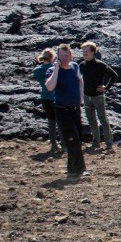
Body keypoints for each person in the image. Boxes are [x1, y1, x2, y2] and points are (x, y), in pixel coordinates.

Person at [44, 44, 87, 177]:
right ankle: (80, 169)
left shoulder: (75, 66)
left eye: (66, 55)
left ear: (71, 55)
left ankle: (71, 168)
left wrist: (81, 99)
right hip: (62, 109)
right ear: (57, 56)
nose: (64, 58)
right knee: (72, 139)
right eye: (61, 55)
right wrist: (56, 68)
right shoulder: (51, 70)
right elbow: (50, 87)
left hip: (75, 109)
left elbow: (80, 81)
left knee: (77, 139)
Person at [79, 41, 119, 150]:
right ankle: (96, 142)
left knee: (103, 120)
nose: (84, 53)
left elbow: (114, 76)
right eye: (83, 51)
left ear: (92, 52)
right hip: (87, 97)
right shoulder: (82, 65)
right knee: (91, 121)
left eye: (86, 51)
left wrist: (106, 87)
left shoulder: (100, 65)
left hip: (98, 97)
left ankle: (109, 144)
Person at [32, 48, 64, 153]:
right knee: (60, 121)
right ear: (52, 57)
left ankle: (53, 144)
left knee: (51, 121)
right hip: (55, 97)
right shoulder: (53, 68)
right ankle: (63, 144)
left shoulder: (37, 71)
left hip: (44, 97)